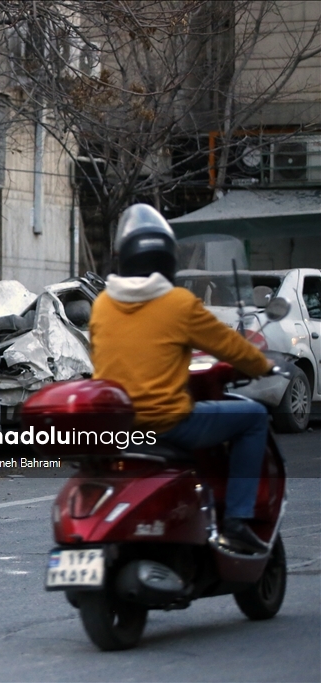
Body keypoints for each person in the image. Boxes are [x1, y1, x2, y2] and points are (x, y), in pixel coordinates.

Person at [89, 204, 275, 555]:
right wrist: (263, 365)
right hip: (168, 423)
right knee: (254, 418)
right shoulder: (178, 303)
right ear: (168, 258)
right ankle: (236, 521)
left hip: (118, 426)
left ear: (124, 257)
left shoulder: (102, 304)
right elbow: (231, 347)